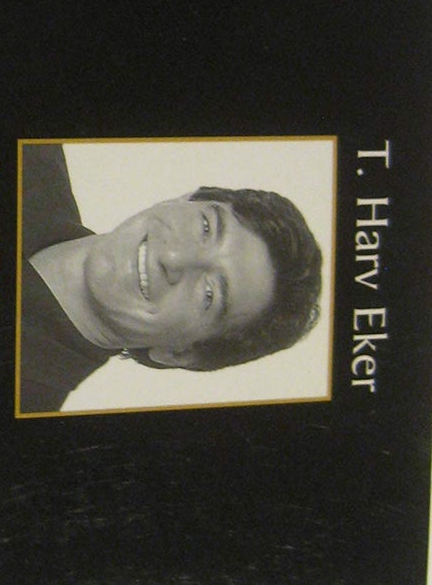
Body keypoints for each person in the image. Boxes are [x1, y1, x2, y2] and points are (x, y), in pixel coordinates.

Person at [18, 143, 323, 413]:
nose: (173, 258)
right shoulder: (30, 148)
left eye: (209, 294)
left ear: (178, 352)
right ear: (183, 198)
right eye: (206, 227)